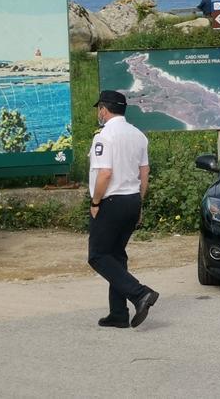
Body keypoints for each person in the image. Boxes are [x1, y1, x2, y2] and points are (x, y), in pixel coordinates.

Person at [87, 90, 159, 329]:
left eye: (99, 109)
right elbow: (144, 172)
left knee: (98, 256)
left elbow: (104, 173)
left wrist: (95, 203)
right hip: (131, 200)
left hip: (110, 202)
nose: (99, 113)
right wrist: (139, 202)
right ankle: (118, 313)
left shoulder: (104, 136)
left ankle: (140, 294)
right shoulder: (138, 135)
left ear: (104, 110)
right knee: (116, 256)